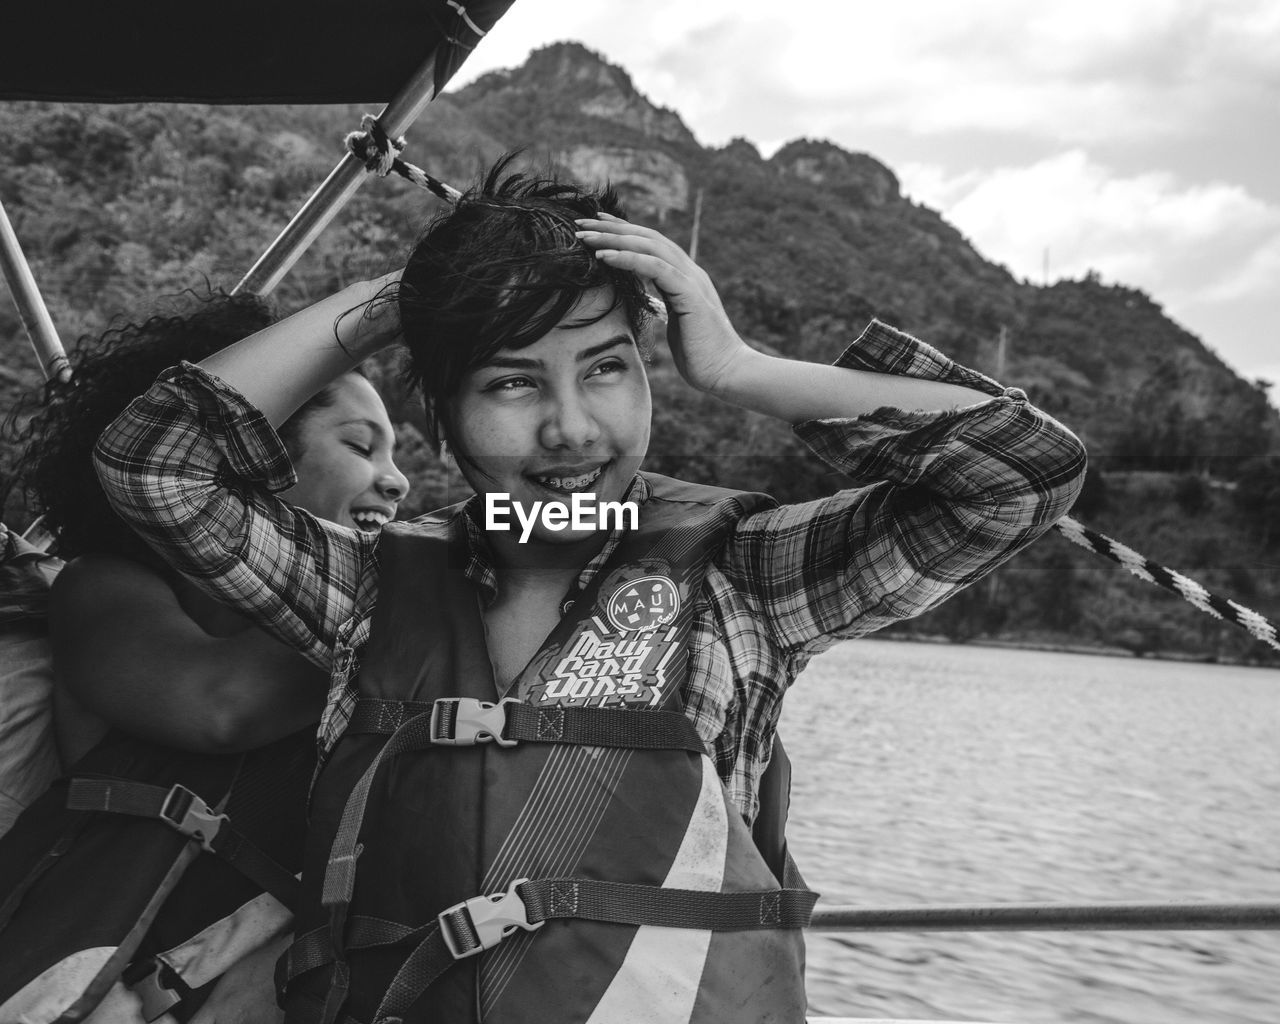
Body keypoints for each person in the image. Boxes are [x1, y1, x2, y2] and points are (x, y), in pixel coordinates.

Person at [94, 159, 1087, 1023]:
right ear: (445, 424)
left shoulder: (750, 578)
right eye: (512, 383)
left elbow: (1022, 472)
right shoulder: (363, 585)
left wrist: (737, 366)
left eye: (605, 368)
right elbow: (152, 467)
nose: (570, 428)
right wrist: (404, 299)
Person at [0, 293, 409, 1023]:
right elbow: (221, 707)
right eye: (360, 446)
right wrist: (413, 607)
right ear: (246, 461)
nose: (397, 478)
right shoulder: (107, 585)